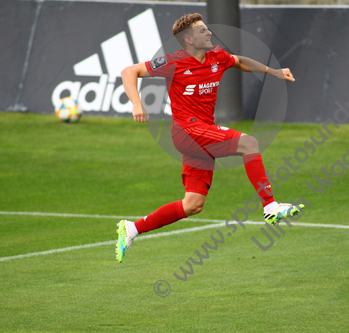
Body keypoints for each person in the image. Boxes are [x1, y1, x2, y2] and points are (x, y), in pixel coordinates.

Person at [116, 13, 303, 263]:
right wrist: (136, 104)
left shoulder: (216, 56)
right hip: (186, 131)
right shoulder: (173, 62)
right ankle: (270, 207)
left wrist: (274, 72)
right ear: (189, 39)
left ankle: (132, 228)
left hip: (201, 134)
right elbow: (130, 71)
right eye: (203, 30)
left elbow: (239, 61)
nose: (209, 33)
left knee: (193, 204)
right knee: (249, 143)